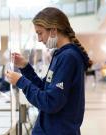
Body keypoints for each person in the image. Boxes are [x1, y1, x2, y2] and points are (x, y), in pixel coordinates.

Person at [5, 7, 92, 135]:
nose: (39, 39)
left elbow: (50, 103)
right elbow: (45, 89)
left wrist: (21, 82)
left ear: (53, 30)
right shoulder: (60, 55)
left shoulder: (69, 57)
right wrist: (25, 67)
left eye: (40, 33)